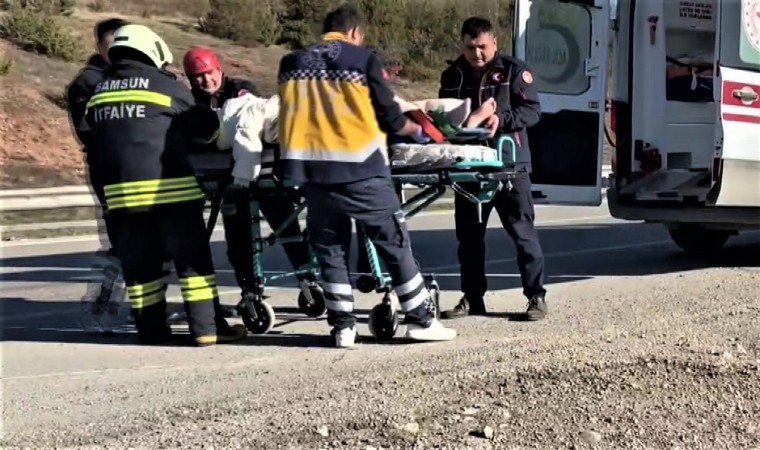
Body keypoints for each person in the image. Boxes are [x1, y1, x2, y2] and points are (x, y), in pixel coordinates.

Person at [277, 4, 457, 348]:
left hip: (314, 172)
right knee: (394, 243)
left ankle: (343, 328)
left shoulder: (291, 63)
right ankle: (420, 320)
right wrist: (415, 130)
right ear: (355, 33)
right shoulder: (361, 60)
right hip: (361, 169)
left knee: (330, 250)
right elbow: (388, 113)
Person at [84, 23, 247, 346]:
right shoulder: (164, 85)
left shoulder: (98, 92)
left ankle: (152, 331)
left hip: (121, 199)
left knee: (141, 269)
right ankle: (207, 329)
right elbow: (205, 128)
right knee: (192, 263)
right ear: (152, 51)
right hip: (170, 192)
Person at [181, 47, 314, 316]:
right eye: (198, 77)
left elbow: (249, 123)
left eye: (209, 73)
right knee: (238, 237)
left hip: (258, 172)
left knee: (286, 225)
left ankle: (308, 279)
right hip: (227, 179)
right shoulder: (189, 103)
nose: (205, 80)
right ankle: (250, 290)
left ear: (219, 70)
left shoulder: (240, 90)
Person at [437, 17, 548, 321]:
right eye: (470, 47)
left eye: (482, 47)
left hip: (509, 165)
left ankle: (536, 296)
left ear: (494, 43)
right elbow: (444, 116)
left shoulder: (513, 71)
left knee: (522, 234)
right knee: (469, 239)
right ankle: (473, 297)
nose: (477, 53)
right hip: (469, 167)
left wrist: (503, 119)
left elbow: (533, 111)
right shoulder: (452, 75)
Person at [66, 17, 128, 259]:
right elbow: (85, 128)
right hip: (106, 161)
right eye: (110, 45)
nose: (115, 51)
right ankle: (121, 258)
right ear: (99, 46)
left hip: (138, 157)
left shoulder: (135, 74)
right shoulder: (87, 82)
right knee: (115, 212)